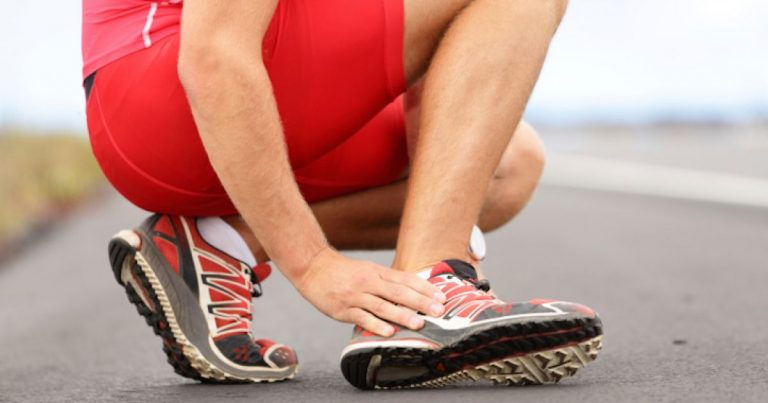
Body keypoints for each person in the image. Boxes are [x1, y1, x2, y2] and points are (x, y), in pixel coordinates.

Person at [83, 0, 602, 389]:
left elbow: (429, 56)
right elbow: (214, 54)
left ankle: (219, 242)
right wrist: (312, 263)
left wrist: (454, 246)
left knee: (507, 168)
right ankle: (429, 300)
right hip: (166, 90)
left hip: (174, 112)